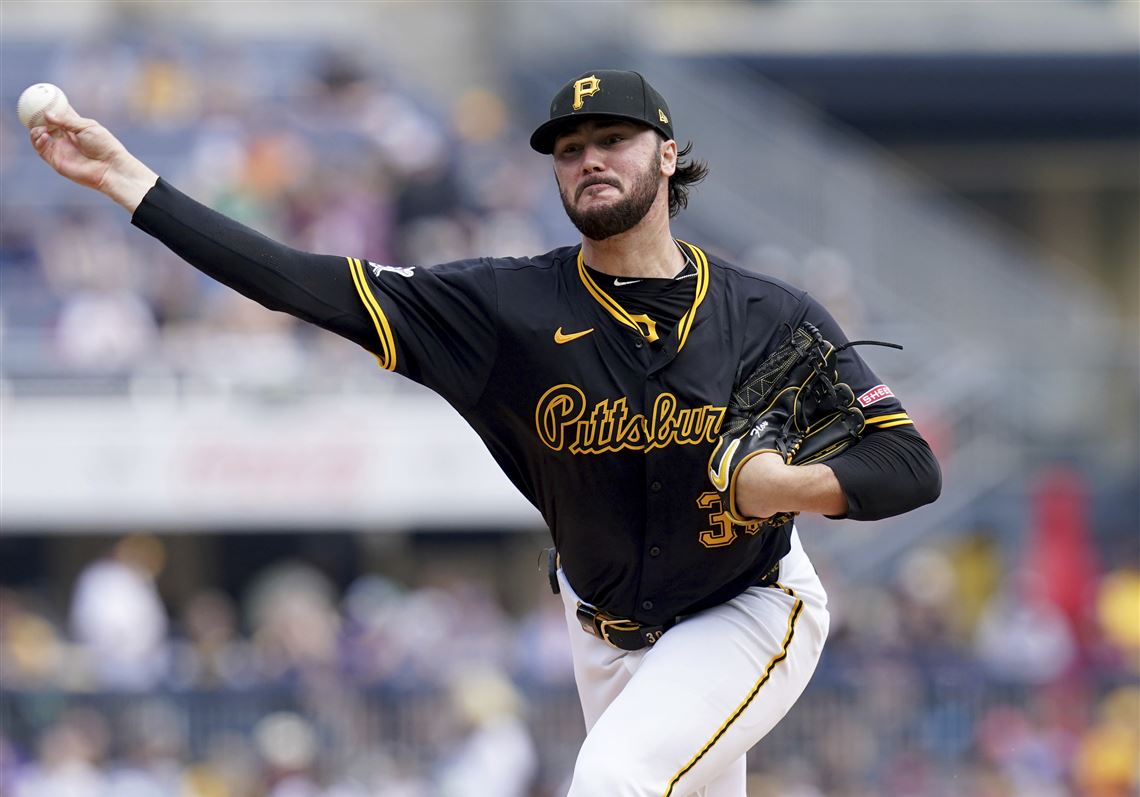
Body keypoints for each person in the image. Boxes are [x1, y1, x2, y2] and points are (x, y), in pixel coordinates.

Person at [30, 69, 941, 796]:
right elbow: (300, 281)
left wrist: (783, 487)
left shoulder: (767, 314)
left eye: (614, 140)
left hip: (746, 601)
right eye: (570, 149)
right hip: (603, 629)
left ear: (668, 156)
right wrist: (130, 182)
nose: (589, 159)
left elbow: (908, 462)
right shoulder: (505, 308)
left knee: (613, 779)